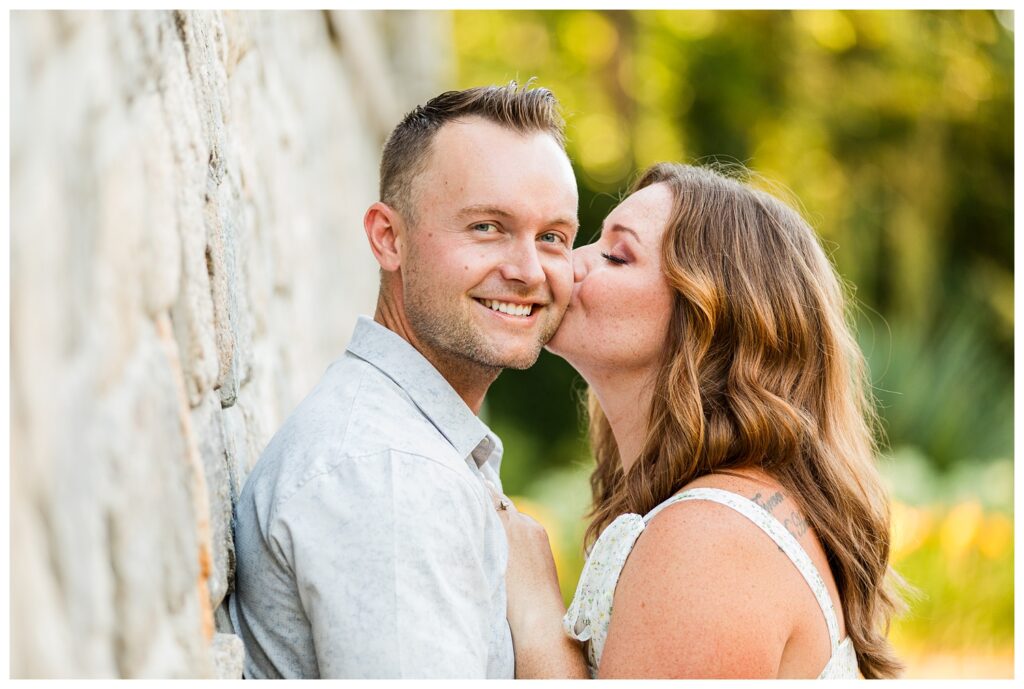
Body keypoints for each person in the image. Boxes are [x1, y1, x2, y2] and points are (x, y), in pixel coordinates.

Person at [492, 163, 907, 679]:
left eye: (617, 256)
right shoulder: (722, 517)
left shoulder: (710, 538)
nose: (568, 264)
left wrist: (535, 609)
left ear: (709, 319)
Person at [229, 82, 582, 678]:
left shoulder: (418, 448)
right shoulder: (391, 473)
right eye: (488, 227)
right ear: (387, 239)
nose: (527, 271)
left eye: (552, 237)